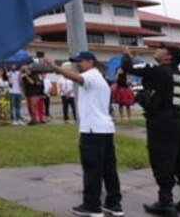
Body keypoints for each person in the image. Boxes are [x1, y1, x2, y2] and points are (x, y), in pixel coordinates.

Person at [121, 45, 180, 216]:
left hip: (162, 122)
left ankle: (166, 202)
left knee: (162, 159)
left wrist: (126, 56)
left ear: (167, 57)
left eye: (160, 49)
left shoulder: (159, 71)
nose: (155, 50)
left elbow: (128, 69)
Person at [45, 52, 123, 217]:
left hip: (92, 130)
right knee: (109, 169)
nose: (77, 65)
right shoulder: (99, 78)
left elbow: (78, 79)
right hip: (105, 129)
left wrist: (54, 68)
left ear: (90, 61)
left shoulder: (91, 76)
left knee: (92, 169)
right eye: (76, 62)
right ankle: (114, 204)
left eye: (80, 61)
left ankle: (92, 206)